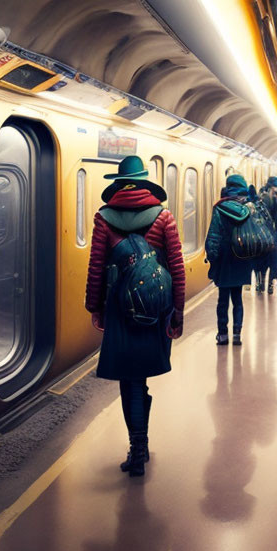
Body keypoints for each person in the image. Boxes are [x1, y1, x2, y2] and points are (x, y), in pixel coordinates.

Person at [85, 155, 185, 477]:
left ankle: (137, 447)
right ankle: (141, 442)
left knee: (129, 380)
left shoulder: (104, 218)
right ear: (144, 182)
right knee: (139, 378)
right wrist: (177, 312)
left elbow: (97, 269)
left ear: (118, 184)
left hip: (119, 310)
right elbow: (177, 269)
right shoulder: (164, 217)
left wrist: (95, 308)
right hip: (156, 310)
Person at [205, 175, 253, 346]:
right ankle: (237, 334)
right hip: (242, 258)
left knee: (223, 299)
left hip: (224, 260)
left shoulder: (220, 208)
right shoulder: (248, 208)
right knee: (238, 299)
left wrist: (211, 257)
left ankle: (222, 334)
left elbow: (214, 236)